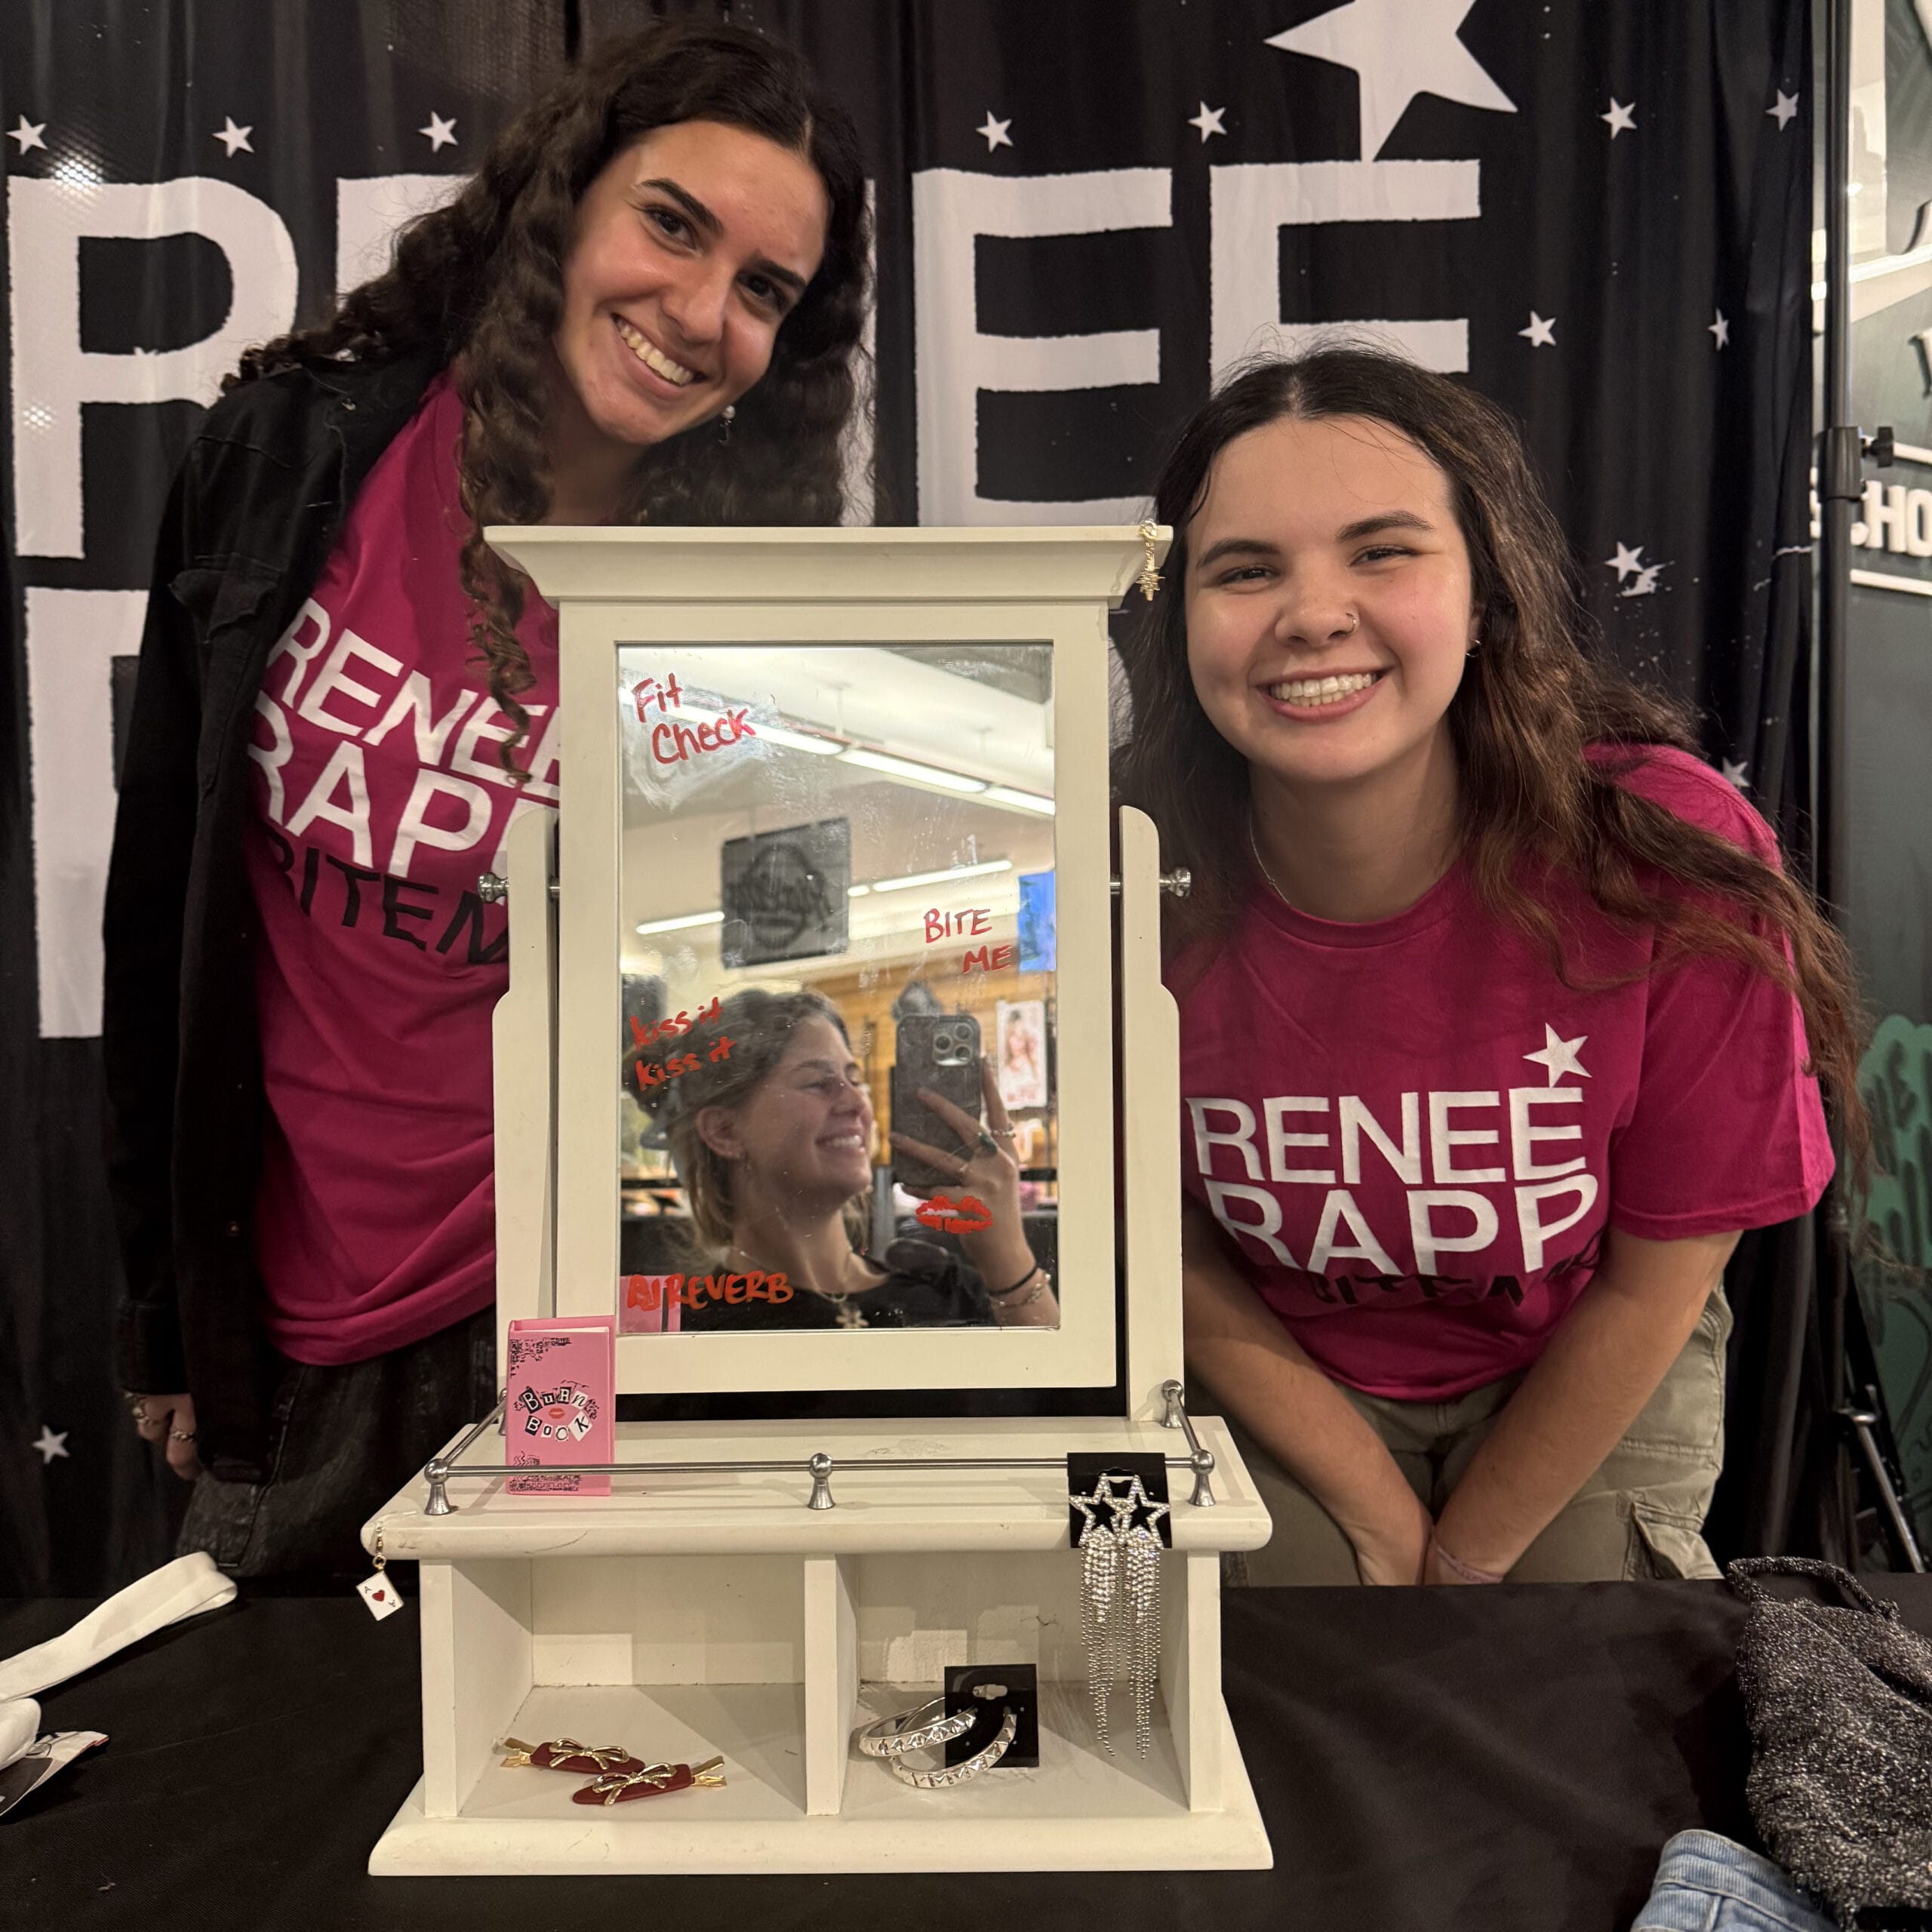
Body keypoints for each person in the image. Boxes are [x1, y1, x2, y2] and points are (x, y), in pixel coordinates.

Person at [103, 21, 872, 1575]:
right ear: (563, 203)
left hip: (582, 1307)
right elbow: (163, 898)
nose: (700, 311)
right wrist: (167, 1314)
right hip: (302, 1319)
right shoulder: (298, 455)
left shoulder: (742, 598)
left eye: (763, 290)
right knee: (278, 1724)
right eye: (673, 224)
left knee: (585, 1716)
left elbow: (742, 980)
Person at [1114, 347, 1862, 1586]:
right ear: (1176, 617)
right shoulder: (1120, 874)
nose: (1313, 614)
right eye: (1244, 570)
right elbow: (1163, 1248)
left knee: (1561, 1654)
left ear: (1485, 594)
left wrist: (1462, 1568)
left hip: (1590, 1334)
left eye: (1382, 551)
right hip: (1270, 1349)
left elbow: (1662, 1273)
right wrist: (1377, 1518)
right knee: (1286, 1643)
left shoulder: (1665, 850)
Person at [641, 989, 1056, 1331]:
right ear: (725, 1131)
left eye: (854, 1080)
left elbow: (1059, 1402)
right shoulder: (699, 1334)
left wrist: (1008, 1259)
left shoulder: (940, 1291)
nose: (857, 1102)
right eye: (817, 1083)